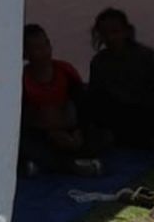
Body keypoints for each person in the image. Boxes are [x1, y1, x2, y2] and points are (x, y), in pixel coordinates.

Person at [87, 7, 154, 148]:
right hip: (117, 117)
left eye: (115, 32)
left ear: (126, 32)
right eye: (105, 34)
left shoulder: (147, 57)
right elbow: (95, 98)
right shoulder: (99, 62)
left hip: (146, 113)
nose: (111, 38)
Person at [19, 24, 103, 176]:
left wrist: (77, 131)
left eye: (46, 45)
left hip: (69, 129)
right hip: (43, 134)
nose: (44, 52)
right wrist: (51, 132)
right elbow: (24, 119)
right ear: (25, 54)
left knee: (100, 136)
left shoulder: (65, 71)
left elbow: (82, 105)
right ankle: (70, 166)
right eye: (37, 48)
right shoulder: (23, 80)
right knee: (25, 144)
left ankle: (45, 165)